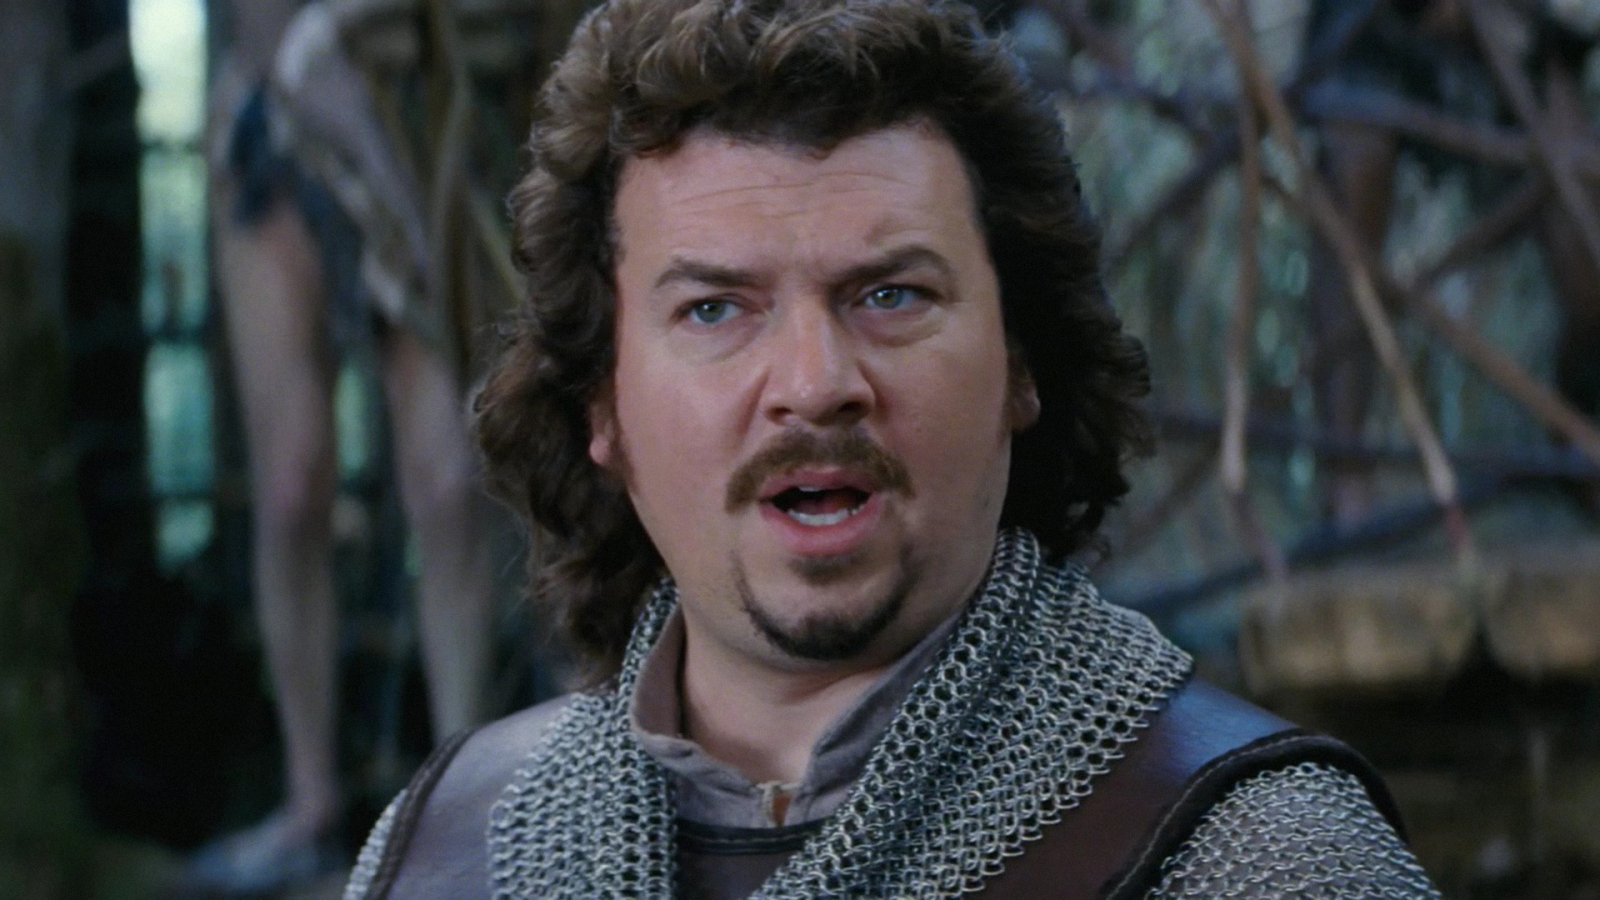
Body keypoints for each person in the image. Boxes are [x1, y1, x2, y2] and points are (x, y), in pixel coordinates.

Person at [344, 0, 1443, 896]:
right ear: (603, 405)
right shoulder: (445, 851)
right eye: (715, 310)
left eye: (890, 294)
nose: (815, 384)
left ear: (1021, 363)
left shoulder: (1264, 858)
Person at [188, 0, 498, 891]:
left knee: (448, 484)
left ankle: (462, 814)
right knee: (291, 485)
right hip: (273, 113)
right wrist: (297, 51)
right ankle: (310, 805)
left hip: (412, 112)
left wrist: (339, 23)